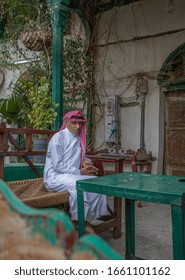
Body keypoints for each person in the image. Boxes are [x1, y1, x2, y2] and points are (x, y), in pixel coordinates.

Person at [43, 110, 108, 233]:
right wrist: (80, 171)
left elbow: (75, 157)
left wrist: (85, 161)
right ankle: (82, 223)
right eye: (74, 123)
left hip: (70, 175)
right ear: (66, 122)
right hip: (55, 177)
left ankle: (82, 220)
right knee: (81, 186)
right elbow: (57, 166)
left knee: (97, 183)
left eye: (80, 123)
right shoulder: (58, 138)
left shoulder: (77, 139)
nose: (78, 126)